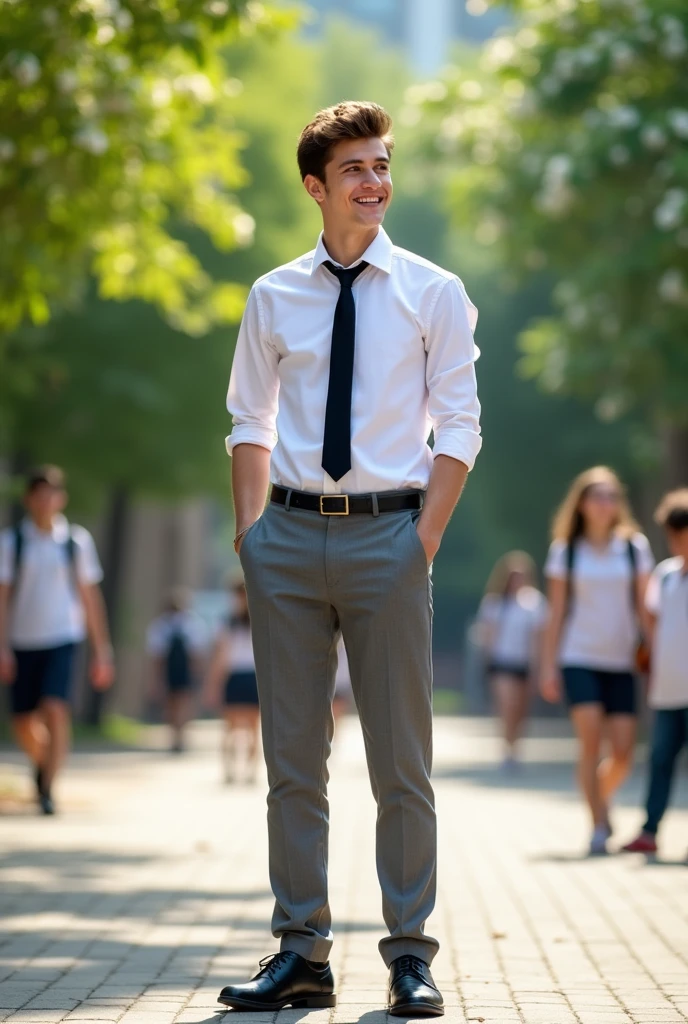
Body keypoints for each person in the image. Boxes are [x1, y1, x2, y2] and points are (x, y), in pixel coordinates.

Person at [218, 101, 481, 1017]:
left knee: (400, 763)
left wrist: (423, 541)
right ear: (315, 188)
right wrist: (251, 532)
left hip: (388, 537)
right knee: (293, 761)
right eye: (356, 169)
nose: (375, 182)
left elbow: (461, 426)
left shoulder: (433, 291)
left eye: (382, 165)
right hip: (285, 541)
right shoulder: (272, 295)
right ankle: (302, 952)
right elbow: (249, 418)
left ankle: (410, 954)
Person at [540, 466, 654, 855]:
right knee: (591, 743)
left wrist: (654, 656)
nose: (606, 503)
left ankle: (597, 799)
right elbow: (555, 615)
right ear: (582, 504)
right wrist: (548, 666)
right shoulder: (565, 552)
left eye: (612, 496)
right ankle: (598, 824)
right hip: (578, 657)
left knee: (622, 753)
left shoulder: (634, 547)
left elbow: (644, 608)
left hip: (621, 660)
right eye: (597, 496)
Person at [0, 465, 114, 815]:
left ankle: (47, 788)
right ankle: (45, 764)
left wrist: (101, 650)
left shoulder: (75, 542)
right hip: (22, 639)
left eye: (51, 494)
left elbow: (89, 598)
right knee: (22, 721)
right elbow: (3, 597)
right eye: (38, 494)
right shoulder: (12, 542)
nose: (45, 501)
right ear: (29, 499)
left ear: (60, 499)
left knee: (55, 708)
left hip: (63, 637)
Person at [621, 489, 688, 856]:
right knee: (659, 761)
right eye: (673, 535)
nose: (678, 542)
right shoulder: (663, 577)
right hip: (667, 690)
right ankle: (649, 830)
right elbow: (652, 624)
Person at [476, 551, 548, 771]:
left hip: (525, 663)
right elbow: (487, 636)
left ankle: (515, 747)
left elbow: (539, 638)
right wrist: (487, 664)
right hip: (502, 663)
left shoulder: (535, 603)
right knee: (508, 706)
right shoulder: (494, 603)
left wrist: (539, 668)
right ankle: (507, 751)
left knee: (521, 710)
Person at [204, 580, 261, 783]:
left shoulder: (260, 620)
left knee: (253, 728)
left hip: (253, 676)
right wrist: (213, 685)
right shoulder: (228, 623)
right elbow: (221, 658)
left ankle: (250, 771)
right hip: (235, 676)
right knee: (230, 728)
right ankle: (229, 770)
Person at [146, 586, 205, 754]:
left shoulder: (163, 625)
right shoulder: (189, 624)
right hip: (177, 670)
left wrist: (156, 679)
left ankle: (177, 736)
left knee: (175, 704)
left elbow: (157, 657)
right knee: (179, 704)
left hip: (175, 670)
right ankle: (178, 736)